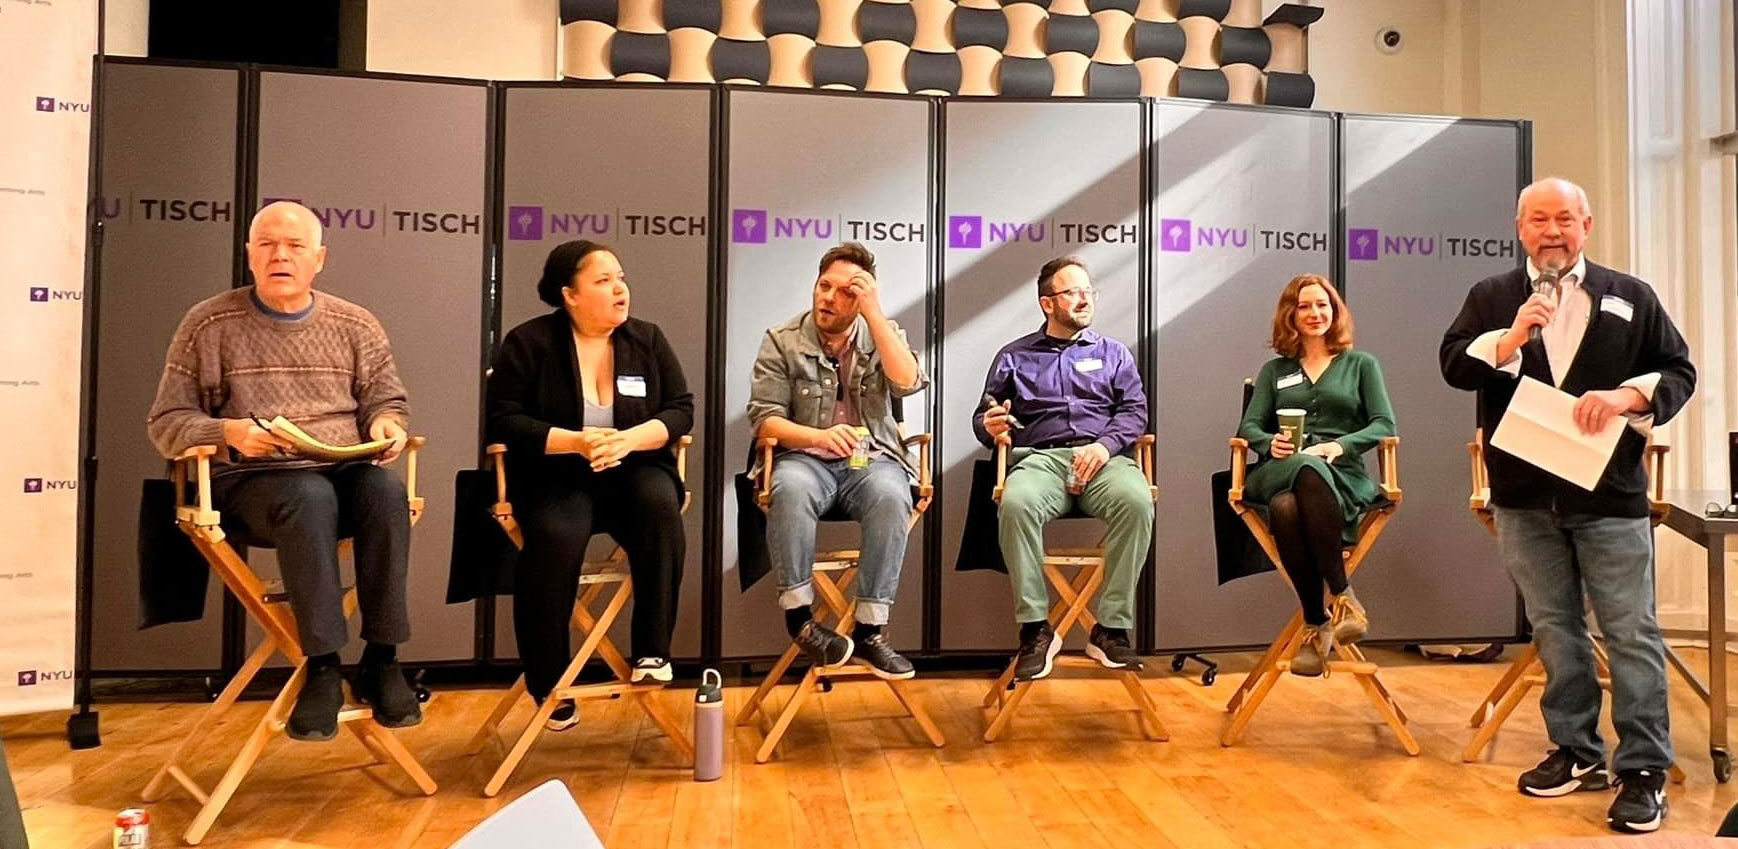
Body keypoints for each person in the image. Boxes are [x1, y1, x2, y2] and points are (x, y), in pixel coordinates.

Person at [1441, 177, 1695, 833]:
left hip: (1609, 493)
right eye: (1537, 220)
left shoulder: (1632, 296)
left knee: (1629, 630)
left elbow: (1679, 370)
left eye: (1563, 219)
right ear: (1520, 228)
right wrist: (1507, 339)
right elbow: (1452, 364)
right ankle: (1577, 750)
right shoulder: (1493, 296)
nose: (1551, 231)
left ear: (1586, 224)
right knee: (1555, 626)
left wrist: (1627, 397)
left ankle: (1643, 767)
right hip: (1524, 495)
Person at [146, 201, 420, 742]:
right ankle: (321, 665)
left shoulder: (355, 323)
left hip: (339, 466)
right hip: (250, 480)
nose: (281, 256)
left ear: (319, 258)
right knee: (307, 496)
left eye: (295, 247)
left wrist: (388, 424)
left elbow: (388, 401)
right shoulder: (209, 322)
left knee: (385, 493)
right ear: (249, 254)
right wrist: (228, 433)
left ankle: (383, 658)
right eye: (268, 244)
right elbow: (166, 421)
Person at [486, 240, 692, 731]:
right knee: (556, 537)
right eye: (603, 281)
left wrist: (627, 441)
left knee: (660, 506)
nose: (619, 288)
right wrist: (576, 443)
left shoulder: (648, 340)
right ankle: (549, 678)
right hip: (556, 472)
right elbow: (505, 421)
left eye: (620, 277)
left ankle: (652, 651)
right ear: (570, 294)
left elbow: (680, 409)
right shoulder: (529, 342)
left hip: (634, 466)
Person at [747, 242, 927, 680]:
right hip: (804, 457)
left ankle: (869, 630)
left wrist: (875, 315)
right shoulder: (782, 340)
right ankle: (801, 621)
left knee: (890, 492)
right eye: (823, 286)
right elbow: (764, 422)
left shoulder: (882, 331)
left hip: (867, 460)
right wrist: (820, 436)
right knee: (789, 489)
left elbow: (908, 383)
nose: (828, 297)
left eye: (845, 292)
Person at [973, 256, 1152, 681]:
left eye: (1089, 291)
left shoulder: (1114, 354)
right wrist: (991, 425)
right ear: (1047, 303)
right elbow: (985, 418)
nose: (1084, 299)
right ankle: (1035, 628)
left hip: (1103, 459)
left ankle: (1110, 628)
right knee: (1014, 504)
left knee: (1138, 501)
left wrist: (1106, 446)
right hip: (1040, 460)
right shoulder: (1014, 356)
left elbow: (1134, 412)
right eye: (1072, 291)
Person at [1237, 274, 1395, 677]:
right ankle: (1343, 596)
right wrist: (1269, 443)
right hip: (1280, 467)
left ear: (1335, 310)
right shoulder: (1275, 371)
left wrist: (1336, 446)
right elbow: (1249, 428)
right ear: (1290, 315)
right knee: (1300, 471)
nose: (1314, 313)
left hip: (1340, 474)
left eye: (1322, 304)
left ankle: (1314, 622)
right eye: (1304, 306)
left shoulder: (1361, 365)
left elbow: (1382, 425)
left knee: (1286, 508)